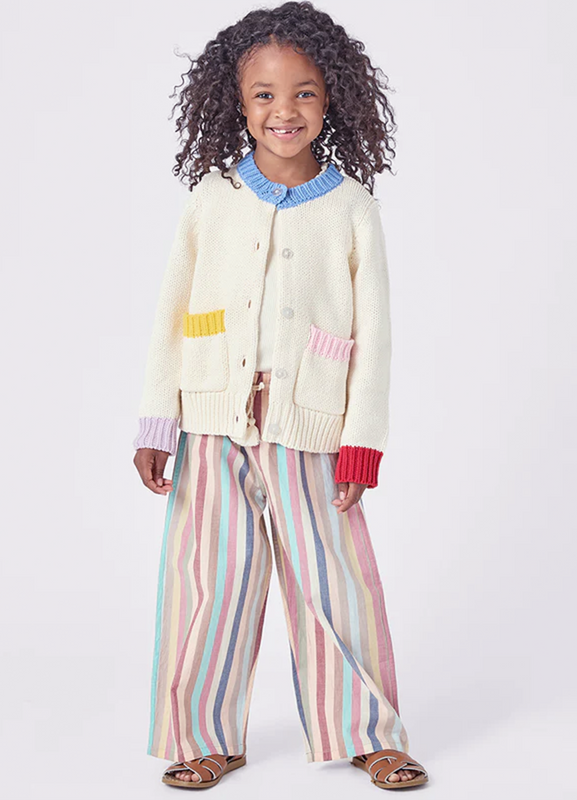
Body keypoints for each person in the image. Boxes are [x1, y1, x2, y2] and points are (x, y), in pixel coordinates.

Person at [132, 1, 429, 790]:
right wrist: (158, 421)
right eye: (263, 94)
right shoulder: (212, 197)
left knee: (334, 584)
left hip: (313, 429)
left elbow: (376, 336)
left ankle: (368, 732)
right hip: (209, 423)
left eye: (303, 92)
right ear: (237, 100)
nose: (283, 110)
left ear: (332, 98)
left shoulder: (352, 207)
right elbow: (171, 314)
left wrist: (362, 442)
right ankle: (201, 737)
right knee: (208, 584)